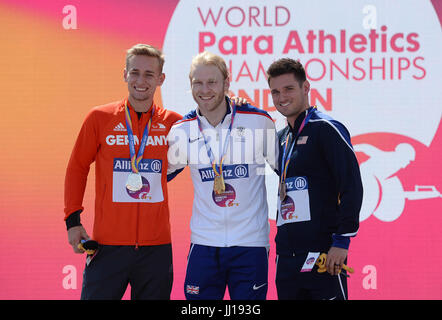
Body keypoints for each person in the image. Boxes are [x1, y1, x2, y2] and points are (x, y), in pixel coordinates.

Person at [64, 44, 182, 300]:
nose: (141, 81)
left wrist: (232, 102)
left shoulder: (175, 123)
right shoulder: (99, 117)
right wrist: (72, 221)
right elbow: (77, 167)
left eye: (149, 74)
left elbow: (213, 128)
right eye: (135, 72)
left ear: (161, 79)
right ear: (125, 74)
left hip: (156, 249)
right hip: (107, 246)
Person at [167, 51, 278, 300]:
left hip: (250, 244)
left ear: (227, 82)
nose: (205, 89)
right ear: (190, 84)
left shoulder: (258, 121)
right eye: (198, 82)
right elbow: (157, 177)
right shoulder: (181, 131)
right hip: (204, 243)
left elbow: (287, 170)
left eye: (212, 82)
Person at [266, 58, 363, 300]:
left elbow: (351, 186)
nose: (281, 97)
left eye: (289, 89)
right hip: (287, 257)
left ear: (305, 87)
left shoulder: (326, 128)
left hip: (323, 254)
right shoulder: (280, 139)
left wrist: (341, 242)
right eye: (275, 92)